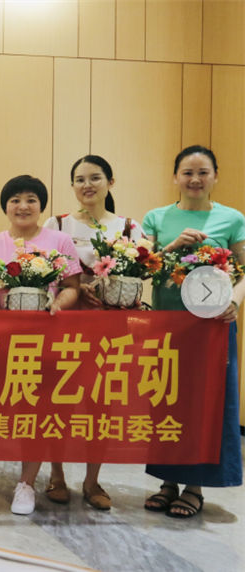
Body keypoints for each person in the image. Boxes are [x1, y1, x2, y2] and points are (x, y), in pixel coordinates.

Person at [141, 145, 244, 518]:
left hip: (212, 329)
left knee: (206, 405)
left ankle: (195, 487)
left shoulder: (232, 218)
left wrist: (235, 300)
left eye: (203, 172)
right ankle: (167, 482)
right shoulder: (156, 217)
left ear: (215, 176)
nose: (195, 179)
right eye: (187, 172)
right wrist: (173, 246)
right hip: (168, 325)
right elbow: (143, 269)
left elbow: (244, 270)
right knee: (167, 400)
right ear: (175, 177)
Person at [42, 154, 146, 511]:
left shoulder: (129, 227)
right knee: (58, 400)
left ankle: (92, 480)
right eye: (80, 179)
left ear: (110, 183)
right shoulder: (57, 224)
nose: (87, 185)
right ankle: (56, 475)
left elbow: (139, 273)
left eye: (95, 178)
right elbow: (42, 272)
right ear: (72, 185)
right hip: (65, 326)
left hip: (109, 330)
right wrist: (73, 288)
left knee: (101, 405)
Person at [0, 174, 80, 516]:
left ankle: (26, 483)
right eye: (15, 200)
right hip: (0, 340)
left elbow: (72, 286)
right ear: (5, 206)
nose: (23, 206)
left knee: (36, 411)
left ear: (41, 206)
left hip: (45, 341)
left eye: (31, 200)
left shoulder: (60, 241)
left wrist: (57, 304)